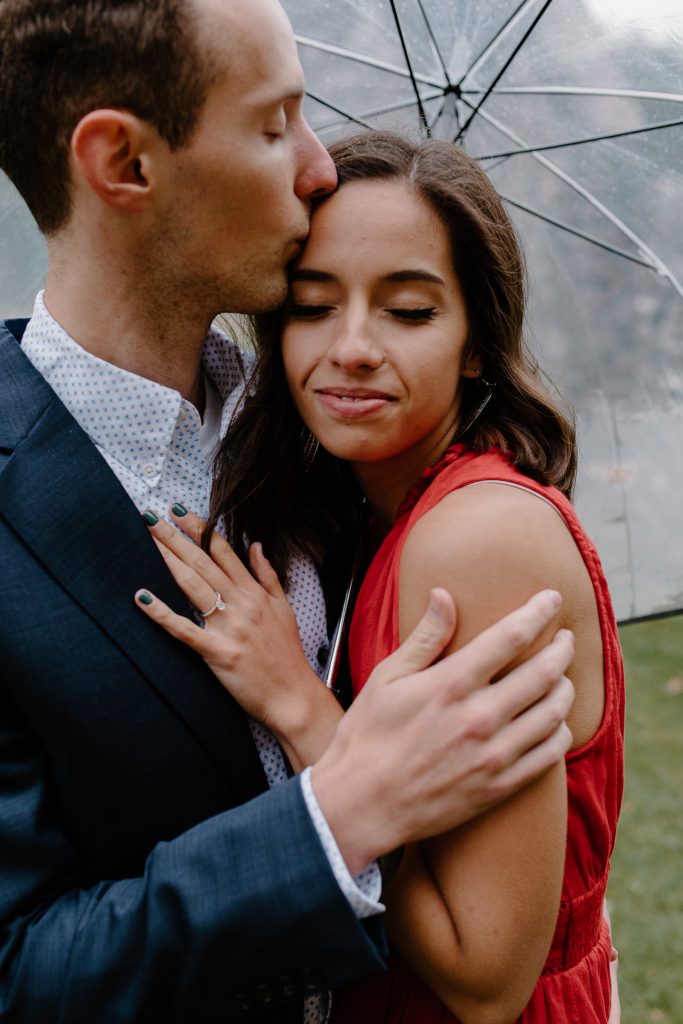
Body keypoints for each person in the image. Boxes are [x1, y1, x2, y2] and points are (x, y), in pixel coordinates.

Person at [0, 1, 575, 1020]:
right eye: (275, 124)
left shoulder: (343, 440)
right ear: (124, 163)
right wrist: (333, 818)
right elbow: (18, 968)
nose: (318, 168)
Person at [136, 131, 624, 1023]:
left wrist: (296, 704)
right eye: (314, 307)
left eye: (407, 311)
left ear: (477, 342)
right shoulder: (377, 511)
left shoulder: (475, 539)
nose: (352, 348)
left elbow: (487, 978)